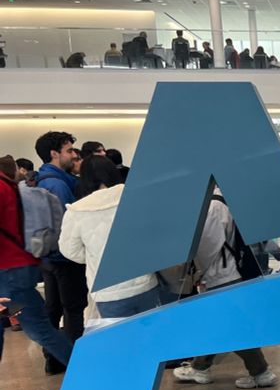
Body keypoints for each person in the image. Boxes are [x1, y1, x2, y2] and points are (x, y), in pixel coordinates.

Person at [173, 189, 278, 389]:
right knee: (220, 322)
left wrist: (198, 274)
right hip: (230, 270)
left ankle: (261, 372)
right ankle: (200, 367)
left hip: (221, 274)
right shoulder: (227, 198)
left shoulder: (213, 205)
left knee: (233, 325)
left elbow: (208, 247)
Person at [58, 156, 160, 321]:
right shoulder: (136, 197)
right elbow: (154, 235)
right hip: (145, 282)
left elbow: (69, 250)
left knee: (121, 342)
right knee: (153, 337)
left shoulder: (77, 211)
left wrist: (95, 256)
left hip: (107, 291)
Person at [0, 156, 74, 367]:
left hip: (9, 276)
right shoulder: (11, 188)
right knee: (37, 326)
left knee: (38, 328)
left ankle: (87, 371)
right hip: (17, 270)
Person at [33, 132, 87, 372]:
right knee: (73, 309)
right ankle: (75, 359)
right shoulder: (57, 183)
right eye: (69, 150)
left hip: (48, 256)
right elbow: (69, 221)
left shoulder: (42, 180)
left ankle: (54, 359)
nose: (73, 155)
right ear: (54, 153)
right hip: (64, 256)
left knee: (54, 307)